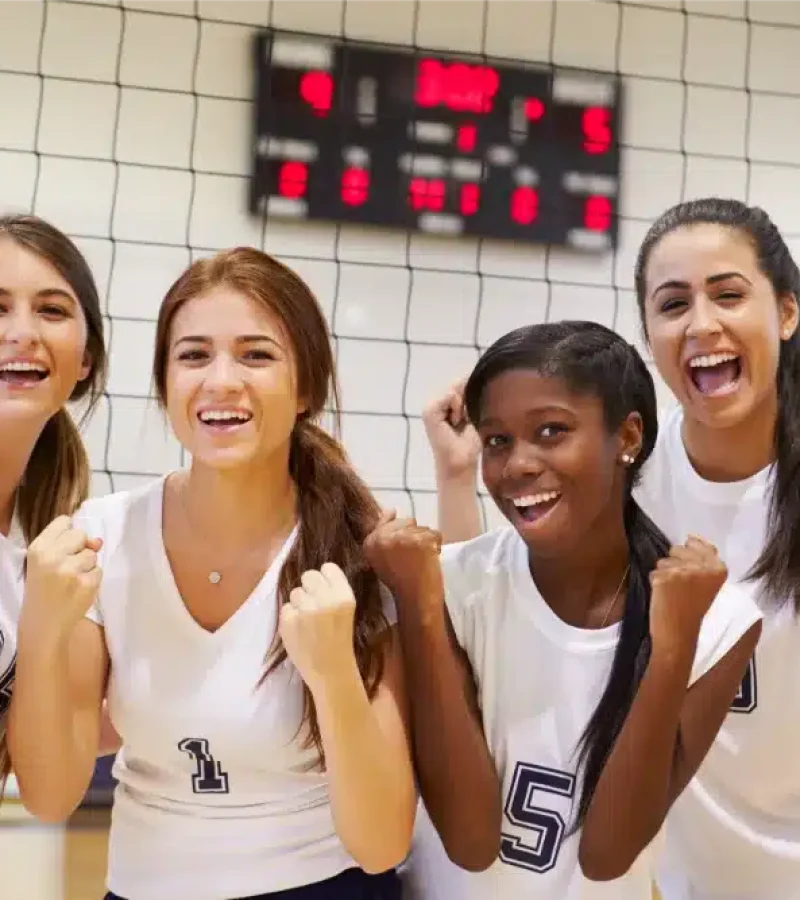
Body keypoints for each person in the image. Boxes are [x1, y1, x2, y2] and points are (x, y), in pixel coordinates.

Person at [9, 247, 416, 899]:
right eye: (193, 355)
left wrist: (335, 675)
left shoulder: (357, 549)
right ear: (166, 383)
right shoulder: (103, 536)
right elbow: (51, 796)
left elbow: (383, 844)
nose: (221, 380)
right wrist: (40, 631)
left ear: (306, 387)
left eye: (256, 355)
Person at [425, 198, 800, 899]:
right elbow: (489, 606)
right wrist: (455, 477)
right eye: (673, 304)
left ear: (786, 312)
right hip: (665, 874)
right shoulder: (623, 476)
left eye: (727, 294)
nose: (701, 324)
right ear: (650, 336)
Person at [365, 320, 762, 899]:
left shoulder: (718, 621)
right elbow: (470, 842)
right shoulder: (439, 586)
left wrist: (671, 650)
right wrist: (421, 609)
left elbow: (608, 856)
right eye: (497, 441)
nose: (517, 465)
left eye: (551, 431)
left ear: (628, 437)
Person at [0, 213, 108, 790]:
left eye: (51, 310)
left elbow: (48, 746)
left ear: (86, 358)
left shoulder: (49, 543)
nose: (23, 332)